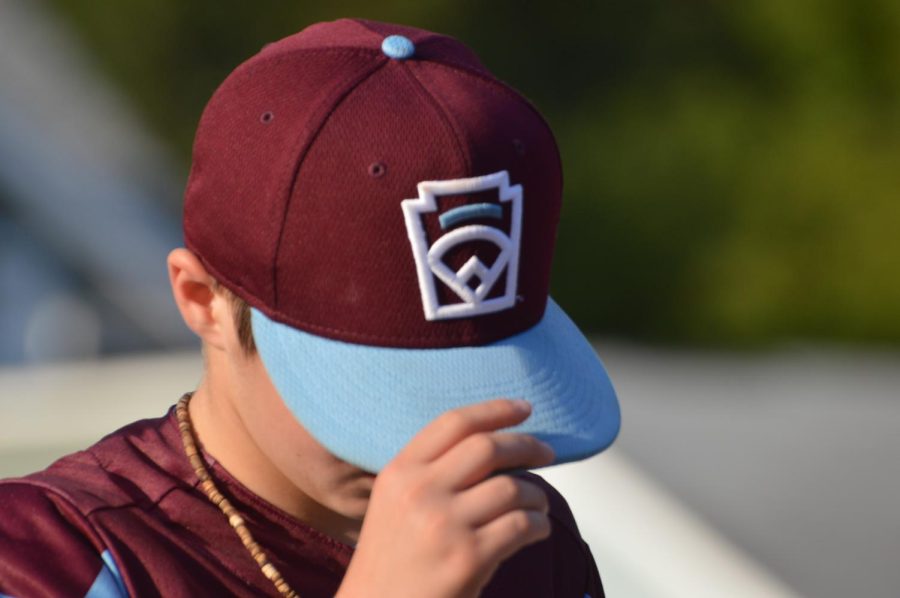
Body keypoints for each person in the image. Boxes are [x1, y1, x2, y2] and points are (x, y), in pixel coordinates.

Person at [0, 18, 620, 597]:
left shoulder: (524, 542)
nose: (427, 442)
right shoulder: (46, 558)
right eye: (378, 385)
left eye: (472, 389)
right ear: (202, 301)